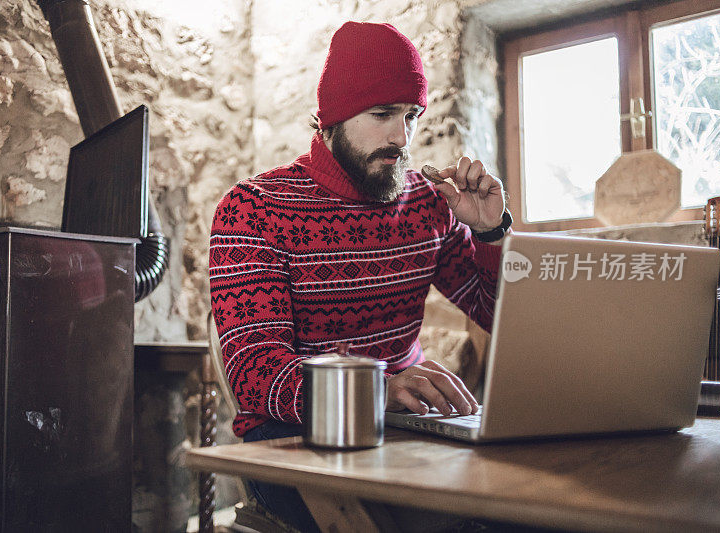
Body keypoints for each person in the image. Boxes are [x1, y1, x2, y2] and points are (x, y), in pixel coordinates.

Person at [209, 20, 511, 532]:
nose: (402, 136)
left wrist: (491, 236)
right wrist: (378, 390)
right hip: (291, 436)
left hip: (407, 427)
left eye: (412, 114)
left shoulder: (425, 204)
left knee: (526, 511)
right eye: (382, 114)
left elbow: (501, 318)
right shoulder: (253, 209)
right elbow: (254, 374)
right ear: (330, 119)